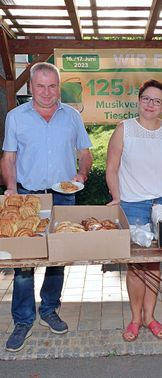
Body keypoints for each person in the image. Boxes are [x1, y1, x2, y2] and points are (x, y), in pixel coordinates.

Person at [1, 62, 93, 352]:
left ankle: (50, 309)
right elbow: (9, 157)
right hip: (28, 197)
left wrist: (82, 174)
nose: (46, 92)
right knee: (24, 263)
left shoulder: (72, 117)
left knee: (57, 260)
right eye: (40, 86)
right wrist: (12, 190)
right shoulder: (16, 117)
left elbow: (85, 153)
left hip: (63, 196)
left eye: (52, 86)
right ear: (31, 87)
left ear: (58, 86)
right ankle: (22, 320)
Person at [106, 79, 162, 342]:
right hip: (132, 206)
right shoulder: (124, 129)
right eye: (146, 99)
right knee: (135, 267)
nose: (151, 104)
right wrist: (116, 197)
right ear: (139, 100)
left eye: (157, 100)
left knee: (154, 266)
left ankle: (150, 317)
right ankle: (134, 319)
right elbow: (111, 167)